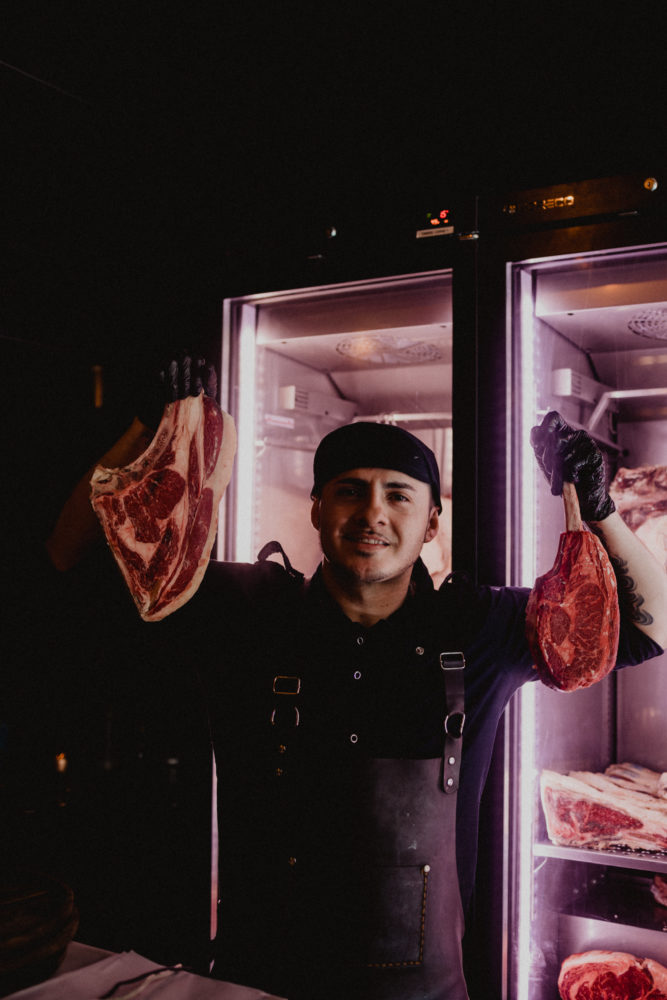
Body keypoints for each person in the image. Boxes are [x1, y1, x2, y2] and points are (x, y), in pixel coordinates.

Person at [44, 357, 667, 1000]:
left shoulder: (477, 626)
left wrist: (598, 509)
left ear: (430, 523)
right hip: (258, 986)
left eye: (398, 495)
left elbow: (652, 630)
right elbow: (71, 558)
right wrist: (146, 430)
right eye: (349, 490)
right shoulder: (249, 611)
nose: (372, 513)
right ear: (316, 509)